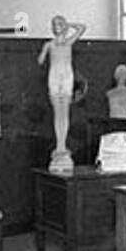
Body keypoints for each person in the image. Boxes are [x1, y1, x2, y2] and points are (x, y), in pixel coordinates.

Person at [38, 15, 86, 164]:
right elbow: (40, 61)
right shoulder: (49, 44)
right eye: (55, 24)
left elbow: (82, 28)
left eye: (59, 24)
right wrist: (44, 52)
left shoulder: (69, 42)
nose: (57, 26)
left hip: (66, 77)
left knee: (64, 112)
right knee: (57, 113)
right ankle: (59, 145)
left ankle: (62, 145)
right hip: (54, 77)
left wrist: (68, 24)